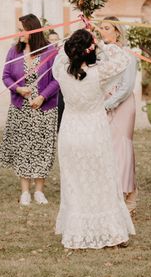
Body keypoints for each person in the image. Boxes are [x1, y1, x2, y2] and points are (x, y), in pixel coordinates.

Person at [52, 28, 135, 249]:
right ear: (90, 51)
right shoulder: (99, 74)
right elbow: (123, 58)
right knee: (103, 181)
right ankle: (112, 233)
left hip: (70, 133)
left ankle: (77, 232)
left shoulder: (61, 72)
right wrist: (102, 44)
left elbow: (59, 57)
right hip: (95, 132)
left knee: (75, 183)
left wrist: (68, 43)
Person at [0, 14, 59, 206]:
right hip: (20, 108)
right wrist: (18, 89)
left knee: (42, 147)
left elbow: (58, 79)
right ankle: (25, 191)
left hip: (45, 108)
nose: (19, 33)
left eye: (21, 30)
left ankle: (39, 190)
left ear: (32, 30)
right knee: (23, 147)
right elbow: (6, 76)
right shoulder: (13, 51)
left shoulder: (50, 51)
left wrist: (43, 96)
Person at [99, 17, 139, 218]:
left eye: (106, 28)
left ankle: (129, 194)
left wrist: (109, 103)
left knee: (122, 146)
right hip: (103, 105)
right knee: (108, 148)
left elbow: (127, 85)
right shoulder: (102, 56)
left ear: (117, 32)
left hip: (122, 105)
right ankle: (111, 193)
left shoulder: (128, 56)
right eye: (101, 28)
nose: (102, 31)